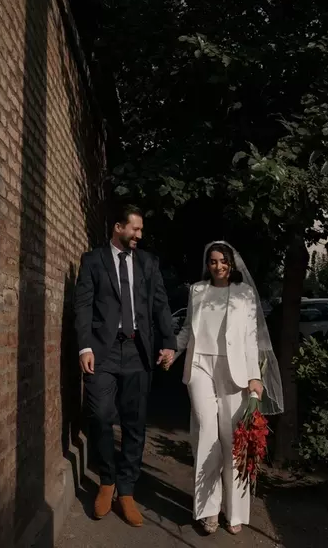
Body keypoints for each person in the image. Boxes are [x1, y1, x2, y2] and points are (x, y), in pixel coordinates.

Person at [166, 241, 283, 535]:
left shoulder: (244, 294)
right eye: (213, 261)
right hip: (200, 367)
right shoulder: (197, 290)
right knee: (206, 434)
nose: (218, 266)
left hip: (235, 371)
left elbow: (251, 338)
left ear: (231, 263)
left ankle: (234, 511)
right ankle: (208, 511)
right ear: (207, 264)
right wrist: (172, 351)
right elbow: (187, 330)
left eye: (223, 261)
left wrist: (254, 376)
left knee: (233, 441)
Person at [74, 204, 176, 527]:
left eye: (141, 230)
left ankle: (126, 490)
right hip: (102, 352)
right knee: (101, 415)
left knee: (135, 423)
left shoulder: (148, 263)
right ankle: (107, 481)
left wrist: (169, 342)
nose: (139, 235)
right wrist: (84, 346)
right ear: (118, 227)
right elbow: (83, 305)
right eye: (135, 229)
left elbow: (160, 304)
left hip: (137, 351)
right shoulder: (93, 261)